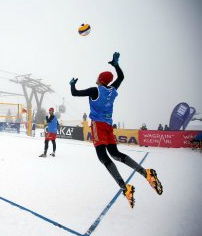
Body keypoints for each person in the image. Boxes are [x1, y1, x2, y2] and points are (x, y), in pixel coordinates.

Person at [69, 52, 163, 208]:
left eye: (98, 78)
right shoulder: (112, 90)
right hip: (108, 126)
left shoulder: (95, 90)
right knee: (116, 154)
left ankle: (125, 188)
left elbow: (74, 93)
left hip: (98, 125)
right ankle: (146, 173)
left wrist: (72, 84)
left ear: (100, 79)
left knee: (104, 158)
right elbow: (121, 78)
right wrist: (116, 65)